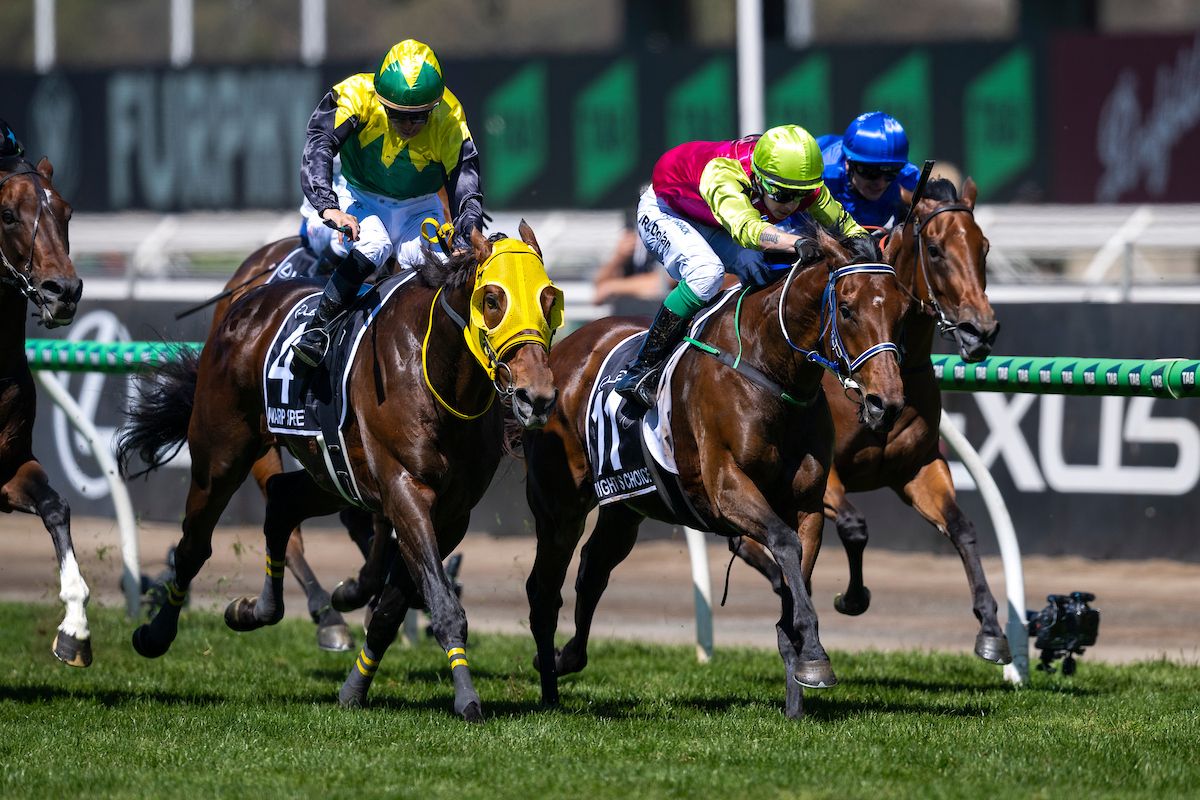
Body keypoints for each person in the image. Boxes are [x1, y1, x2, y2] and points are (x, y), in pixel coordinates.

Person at [613, 125, 877, 410]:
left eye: (800, 195)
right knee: (706, 273)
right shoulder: (723, 174)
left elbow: (845, 225)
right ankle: (642, 368)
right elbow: (747, 230)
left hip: (715, 218)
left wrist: (871, 247)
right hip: (667, 210)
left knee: (763, 268)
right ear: (759, 178)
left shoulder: (800, 184)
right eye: (782, 194)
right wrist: (796, 241)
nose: (791, 204)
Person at [291, 39, 484, 369]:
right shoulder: (354, 94)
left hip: (419, 208)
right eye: (398, 115)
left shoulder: (450, 116)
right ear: (381, 102)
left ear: (434, 107)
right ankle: (317, 331)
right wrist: (328, 206)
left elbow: (466, 181)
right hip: (360, 197)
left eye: (419, 117)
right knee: (374, 245)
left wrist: (468, 236)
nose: (409, 126)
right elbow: (319, 143)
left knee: (444, 267)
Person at [813, 111, 921, 229]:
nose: (881, 183)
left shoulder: (907, 178)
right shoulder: (823, 177)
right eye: (871, 172)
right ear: (848, 164)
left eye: (891, 172)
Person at [593, 192, 674, 317]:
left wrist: (613, 287)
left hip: (662, 313)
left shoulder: (672, 236)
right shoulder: (631, 236)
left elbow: (661, 284)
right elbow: (599, 287)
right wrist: (619, 258)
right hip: (627, 314)